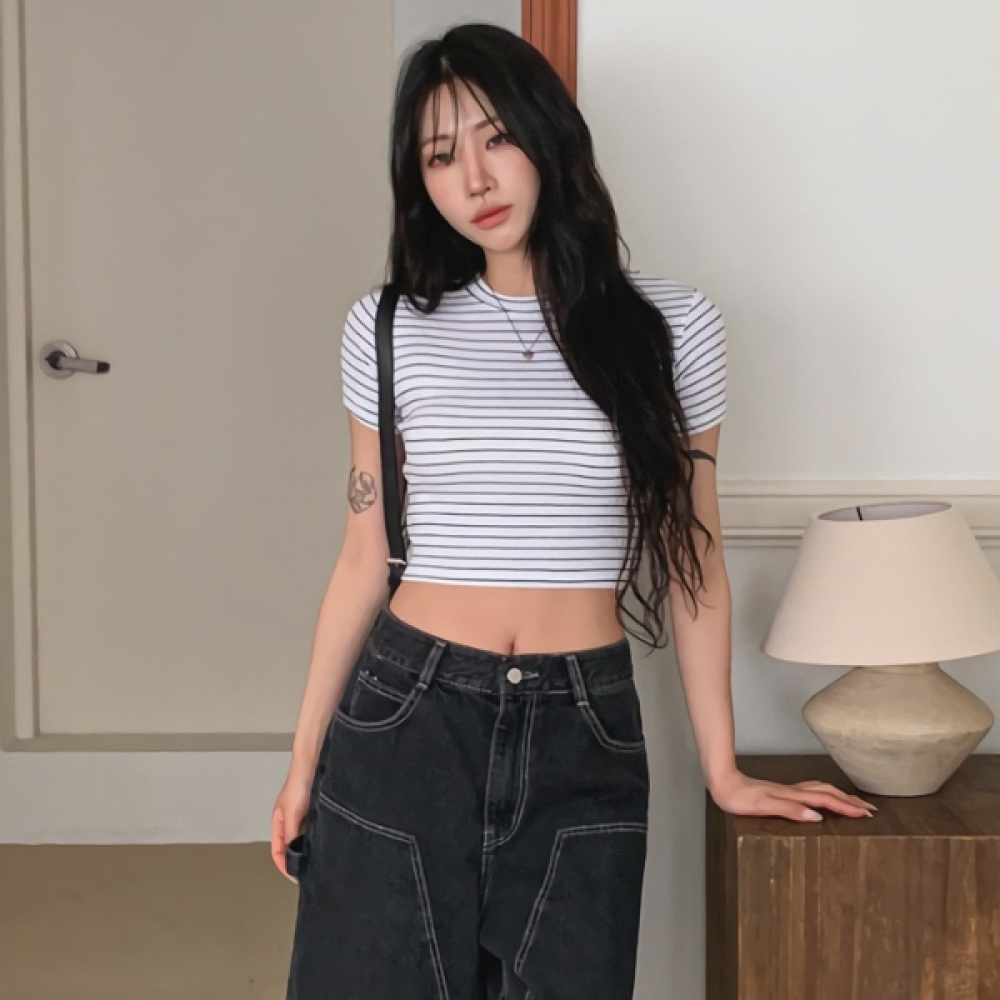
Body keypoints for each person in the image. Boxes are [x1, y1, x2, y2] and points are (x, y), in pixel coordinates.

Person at [272, 22, 877, 1000]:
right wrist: (303, 760)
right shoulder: (388, 329)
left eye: (496, 137)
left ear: (548, 136)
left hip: (583, 725)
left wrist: (722, 769)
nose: (474, 177)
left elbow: (694, 563)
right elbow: (361, 556)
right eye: (440, 156)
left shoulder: (671, 328)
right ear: (419, 184)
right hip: (406, 717)